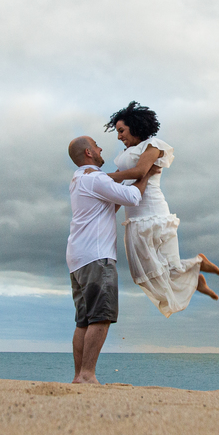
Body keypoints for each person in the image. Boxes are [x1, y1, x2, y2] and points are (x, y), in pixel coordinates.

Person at [105, 101, 219, 317]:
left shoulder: (153, 146)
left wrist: (106, 176)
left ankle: (198, 268)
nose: (119, 136)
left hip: (154, 213)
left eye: (121, 130)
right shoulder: (124, 155)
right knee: (144, 273)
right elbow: (122, 185)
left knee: (168, 268)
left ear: (135, 126)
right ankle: (196, 271)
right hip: (134, 217)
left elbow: (140, 172)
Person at [65, 135, 154, 384]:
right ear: (89, 153)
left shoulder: (79, 179)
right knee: (101, 316)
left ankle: (78, 376)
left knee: (83, 320)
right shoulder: (94, 179)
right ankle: (87, 374)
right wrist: (146, 175)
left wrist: (122, 174)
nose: (101, 147)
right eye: (96, 145)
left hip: (78, 258)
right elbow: (133, 198)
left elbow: (109, 205)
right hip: (97, 257)